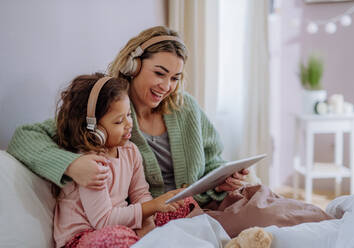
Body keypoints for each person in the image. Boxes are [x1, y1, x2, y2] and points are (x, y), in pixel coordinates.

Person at [7, 26, 250, 207]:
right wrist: (72, 165)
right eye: (159, 73)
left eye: (175, 78)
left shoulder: (187, 108)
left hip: (203, 207)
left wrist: (223, 179)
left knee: (264, 200)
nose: (167, 86)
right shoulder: (105, 110)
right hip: (156, 219)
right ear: (133, 65)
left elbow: (212, 160)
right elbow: (25, 137)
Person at [52, 73, 187, 248]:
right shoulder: (90, 164)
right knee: (119, 237)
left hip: (121, 224)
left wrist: (148, 226)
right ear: (93, 128)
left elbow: (140, 194)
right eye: (118, 121)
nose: (129, 124)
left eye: (129, 114)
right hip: (84, 237)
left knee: (183, 203)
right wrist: (151, 208)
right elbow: (103, 220)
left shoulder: (130, 151)